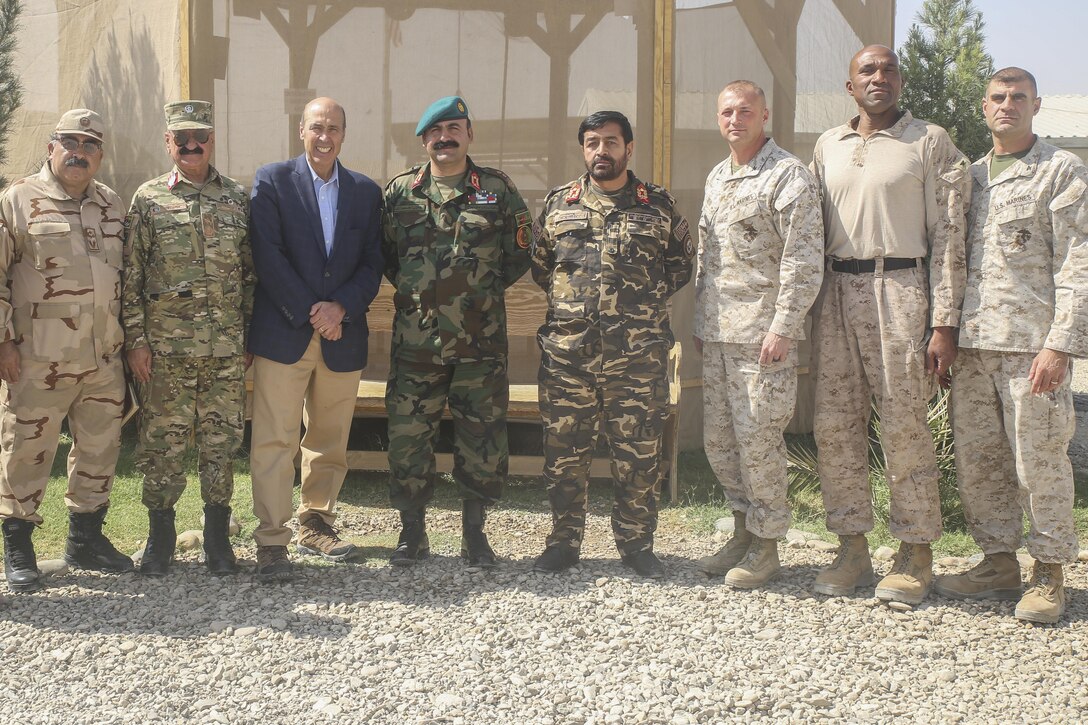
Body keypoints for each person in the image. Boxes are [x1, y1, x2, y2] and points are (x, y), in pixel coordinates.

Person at [809, 45, 968, 605]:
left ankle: (914, 551)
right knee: (834, 423)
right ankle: (852, 544)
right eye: (867, 71)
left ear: (900, 81)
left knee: (902, 424)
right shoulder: (829, 144)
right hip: (833, 291)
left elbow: (950, 235)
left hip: (900, 288)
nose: (879, 78)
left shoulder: (928, 141)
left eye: (888, 70)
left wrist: (944, 323)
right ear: (850, 85)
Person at [934, 68, 1087, 624]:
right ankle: (997, 562)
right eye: (998, 98)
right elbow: (950, 261)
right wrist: (945, 331)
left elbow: (1079, 263)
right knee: (982, 462)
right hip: (974, 345)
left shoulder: (1060, 171)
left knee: (1039, 463)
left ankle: (1049, 572)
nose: (1007, 106)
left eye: (1018, 97)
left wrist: (1061, 344)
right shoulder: (969, 178)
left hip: (1031, 349)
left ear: (1036, 105)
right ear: (983, 107)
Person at [531, 110, 694, 579]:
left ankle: (637, 544)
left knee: (639, 455)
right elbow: (543, 267)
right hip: (569, 357)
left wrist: (637, 313)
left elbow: (679, 266)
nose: (602, 151)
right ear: (583, 149)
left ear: (629, 147)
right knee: (565, 455)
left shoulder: (657, 205)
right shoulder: (559, 204)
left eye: (611, 142)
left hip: (637, 358)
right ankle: (563, 542)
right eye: (592, 143)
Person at [382, 96, 532, 569]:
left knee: (482, 440)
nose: (444, 137)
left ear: (470, 133)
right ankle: (412, 535)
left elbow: (519, 253)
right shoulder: (400, 193)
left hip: (479, 344)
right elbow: (388, 257)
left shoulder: (497, 190)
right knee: (408, 439)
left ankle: (474, 536)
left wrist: (476, 296)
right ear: (424, 139)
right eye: (435, 130)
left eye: (454, 127)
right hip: (416, 344)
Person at [693, 81, 824, 588]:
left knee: (759, 440)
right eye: (726, 111)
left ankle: (768, 545)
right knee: (719, 441)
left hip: (763, 337)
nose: (734, 119)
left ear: (764, 115)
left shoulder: (787, 176)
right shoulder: (718, 177)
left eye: (744, 111)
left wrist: (785, 327)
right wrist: (703, 320)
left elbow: (803, 258)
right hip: (720, 332)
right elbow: (708, 255)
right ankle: (743, 530)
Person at [248, 97, 384, 581]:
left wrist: (341, 308)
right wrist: (313, 310)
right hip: (286, 330)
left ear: (344, 134)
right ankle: (271, 540)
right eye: (316, 127)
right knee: (274, 439)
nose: (325, 137)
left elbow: (373, 262)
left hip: (341, 334)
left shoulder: (366, 192)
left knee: (328, 439)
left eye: (334, 128)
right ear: (300, 131)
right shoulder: (272, 180)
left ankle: (316, 521)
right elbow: (267, 255)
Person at [0, 109, 133, 591]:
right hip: (38, 359)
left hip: (102, 359)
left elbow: (126, 281)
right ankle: (18, 547)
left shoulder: (112, 204)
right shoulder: (19, 200)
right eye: (69, 141)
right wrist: (3, 341)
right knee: (27, 451)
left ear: (100, 154)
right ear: (51, 146)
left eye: (90, 144)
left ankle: (86, 539)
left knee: (99, 449)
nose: (79, 151)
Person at [122, 100, 255, 576]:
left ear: (212, 140)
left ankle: (218, 540)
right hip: (165, 353)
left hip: (223, 351)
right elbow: (131, 277)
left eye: (199, 136)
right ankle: (160, 538)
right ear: (168, 143)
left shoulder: (237, 197)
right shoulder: (149, 198)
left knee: (221, 445)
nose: (192, 145)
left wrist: (246, 339)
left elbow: (250, 274)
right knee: (162, 445)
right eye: (182, 139)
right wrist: (136, 342)